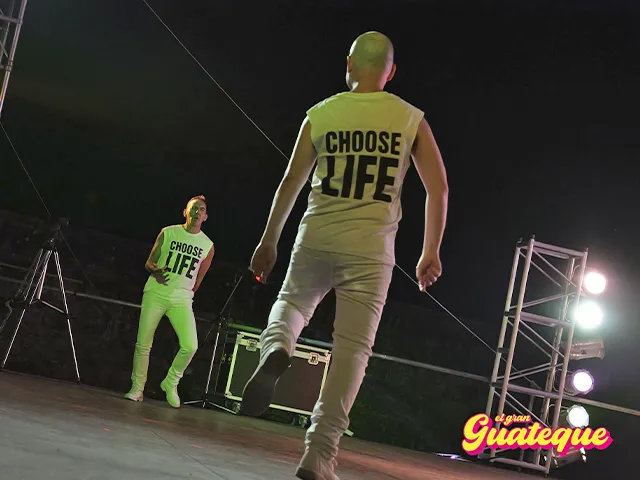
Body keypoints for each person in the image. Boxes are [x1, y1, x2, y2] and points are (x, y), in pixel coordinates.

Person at [241, 31, 449, 480]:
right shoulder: (410, 118)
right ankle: (319, 454)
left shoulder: (321, 113)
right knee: (352, 349)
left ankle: (277, 346)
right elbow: (439, 188)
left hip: (317, 235)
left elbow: (291, 182)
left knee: (292, 303)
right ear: (391, 72)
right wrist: (429, 251)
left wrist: (268, 240)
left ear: (349, 65)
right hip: (371, 252)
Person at [124, 195, 215, 408]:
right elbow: (149, 262)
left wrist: (184, 292)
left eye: (201, 209)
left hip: (182, 298)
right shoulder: (168, 232)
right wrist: (155, 270)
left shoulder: (208, 245)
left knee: (190, 345)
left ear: (205, 217)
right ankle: (137, 388)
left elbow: (199, 279)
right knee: (143, 343)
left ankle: (171, 381)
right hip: (156, 292)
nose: (197, 212)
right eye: (193, 208)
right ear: (185, 212)